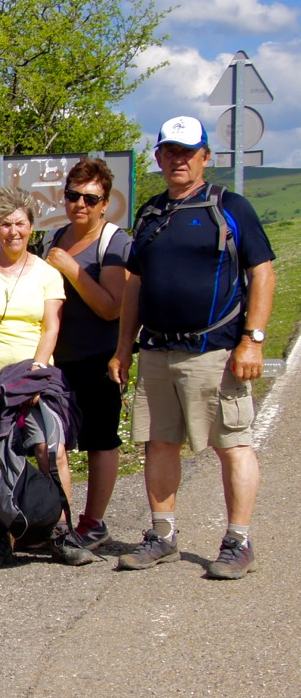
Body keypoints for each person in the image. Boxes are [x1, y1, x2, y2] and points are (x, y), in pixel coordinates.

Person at [109, 115, 276, 579]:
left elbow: (262, 272)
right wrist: (124, 348)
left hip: (216, 352)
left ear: (205, 157)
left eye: (188, 151)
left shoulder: (231, 207)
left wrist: (253, 340)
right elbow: (134, 286)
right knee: (158, 445)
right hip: (158, 352)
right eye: (170, 151)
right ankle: (162, 536)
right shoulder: (150, 214)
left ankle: (237, 542)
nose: (178, 159)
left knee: (232, 444)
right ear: (159, 156)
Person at [0, 188, 93, 569]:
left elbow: (51, 327)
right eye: (5, 224)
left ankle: (61, 533)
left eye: (20, 223)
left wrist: (36, 371)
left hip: (32, 374)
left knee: (52, 449)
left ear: (31, 226)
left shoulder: (48, 275)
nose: (13, 231)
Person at [44, 159, 130, 549]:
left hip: (98, 357)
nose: (80, 203)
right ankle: (59, 521)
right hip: (57, 359)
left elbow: (112, 306)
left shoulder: (115, 242)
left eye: (90, 198)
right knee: (52, 443)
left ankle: (93, 522)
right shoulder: (54, 237)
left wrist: (71, 267)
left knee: (100, 441)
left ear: (105, 202)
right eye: (73, 195)